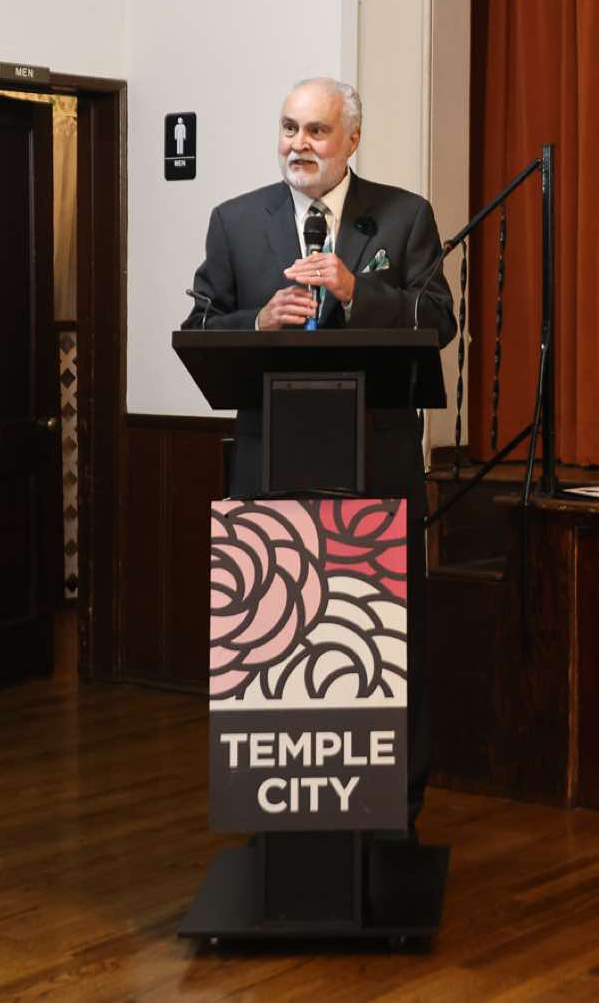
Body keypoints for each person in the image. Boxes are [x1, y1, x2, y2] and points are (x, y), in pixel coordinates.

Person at [187, 75, 456, 826]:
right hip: (269, 470)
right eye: (289, 128)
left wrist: (355, 291)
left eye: (316, 131)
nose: (298, 145)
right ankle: (277, 814)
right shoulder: (235, 221)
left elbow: (438, 320)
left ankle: (391, 808)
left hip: (377, 467)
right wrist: (256, 321)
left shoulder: (403, 216)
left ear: (352, 140)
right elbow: (200, 324)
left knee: (383, 638)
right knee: (277, 629)